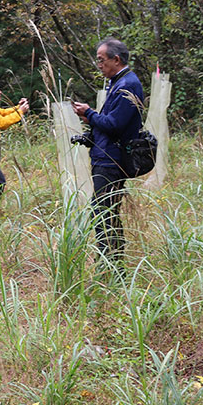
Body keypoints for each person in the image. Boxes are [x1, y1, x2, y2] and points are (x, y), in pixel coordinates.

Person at [72, 38, 144, 261]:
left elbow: (115, 125)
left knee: (103, 212)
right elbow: (110, 122)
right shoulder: (117, 82)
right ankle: (110, 262)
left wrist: (90, 113)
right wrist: (90, 123)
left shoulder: (128, 85)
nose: (99, 65)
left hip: (112, 160)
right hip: (105, 156)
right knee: (104, 211)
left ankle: (111, 265)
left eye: (102, 60)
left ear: (116, 59)